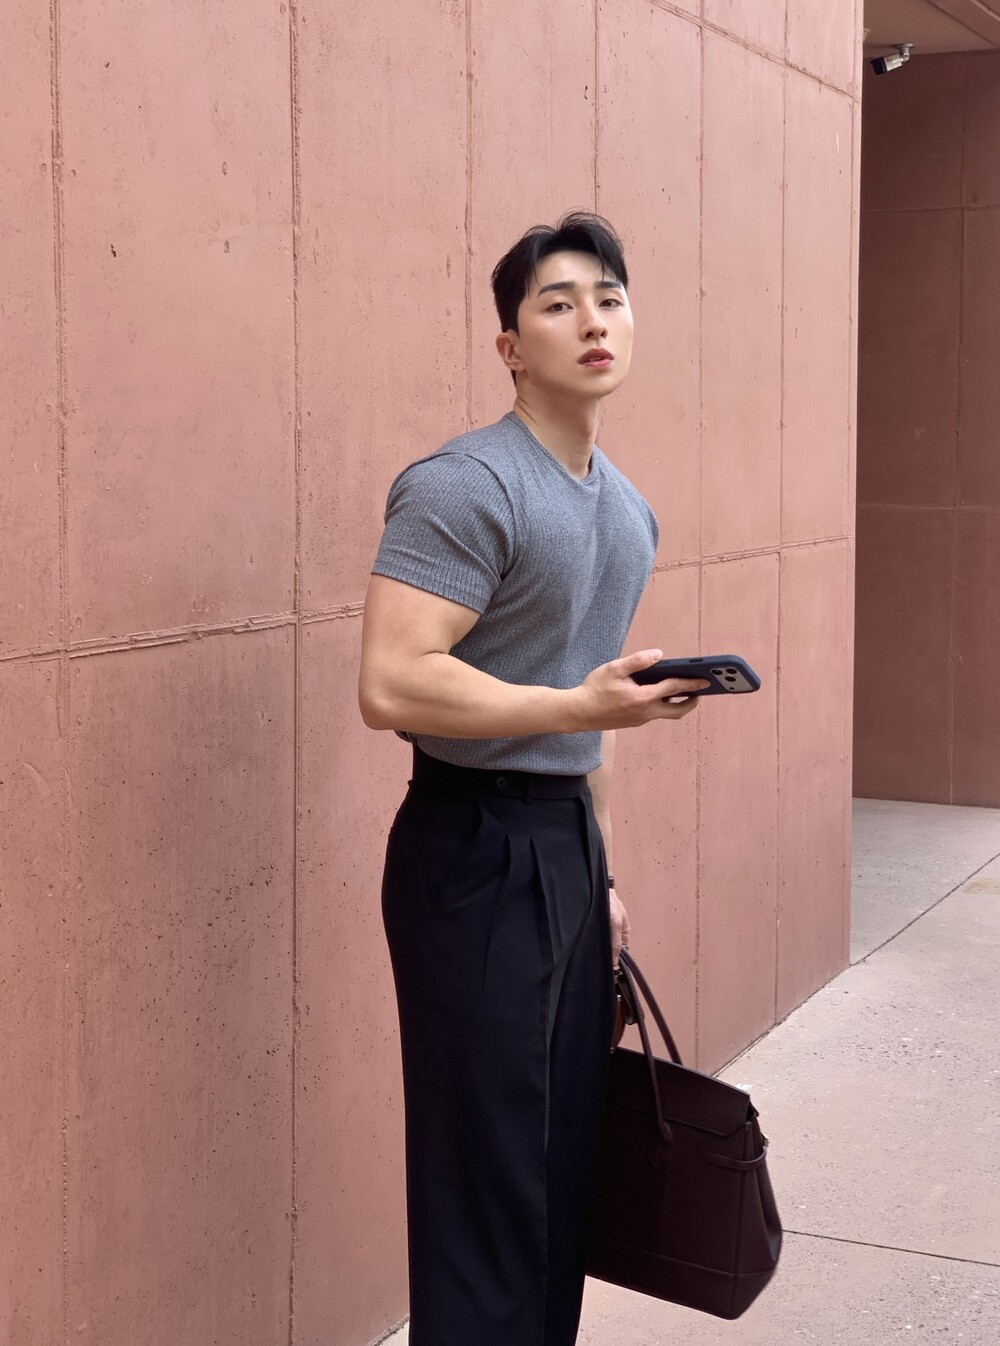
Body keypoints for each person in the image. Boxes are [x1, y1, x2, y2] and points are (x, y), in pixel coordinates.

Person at [358, 211, 709, 1346]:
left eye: (609, 298)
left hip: (564, 843)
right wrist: (579, 709)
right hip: (469, 846)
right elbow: (392, 682)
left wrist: (601, 873)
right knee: (487, 1168)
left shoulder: (628, 508)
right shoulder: (465, 485)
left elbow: (585, 723)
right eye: (558, 303)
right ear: (510, 345)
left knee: (561, 1160)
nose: (591, 319)